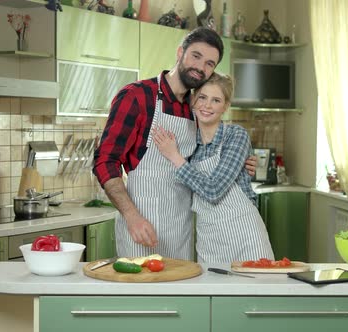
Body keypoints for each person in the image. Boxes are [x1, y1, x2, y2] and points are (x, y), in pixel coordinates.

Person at [93, 27, 254, 260]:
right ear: (180, 53)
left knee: (181, 294)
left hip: (182, 228)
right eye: (196, 56)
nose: (201, 67)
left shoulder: (197, 107)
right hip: (141, 226)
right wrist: (131, 216)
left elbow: (207, 155)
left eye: (210, 63)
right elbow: (105, 161)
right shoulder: (138, 96)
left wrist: (243, 162)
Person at [152, 73, 274, 263]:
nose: (207, 105)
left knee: (256, 290)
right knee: (211, 291)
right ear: (193, 100)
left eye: (216, 100)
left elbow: (213, 190)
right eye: (202, 97)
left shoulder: (235, 135)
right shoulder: (188, 144)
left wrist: (174, 156)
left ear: (225, 106)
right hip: (209, 239)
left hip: (245, 235)